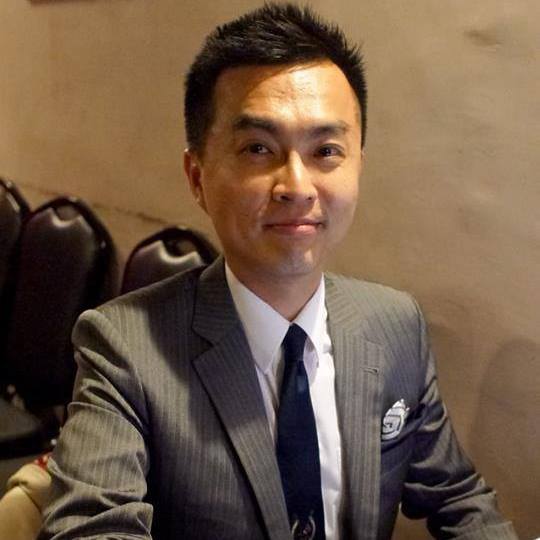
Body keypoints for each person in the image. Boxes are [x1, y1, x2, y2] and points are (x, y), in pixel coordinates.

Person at [39, 4, 518, 539]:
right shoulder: (125, 348)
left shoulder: (395, 324)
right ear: (197, 177)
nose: (297, 186)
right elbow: (91, 526)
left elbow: (458, 495)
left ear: (359, 166)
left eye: (326, 150)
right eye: (258, 149)